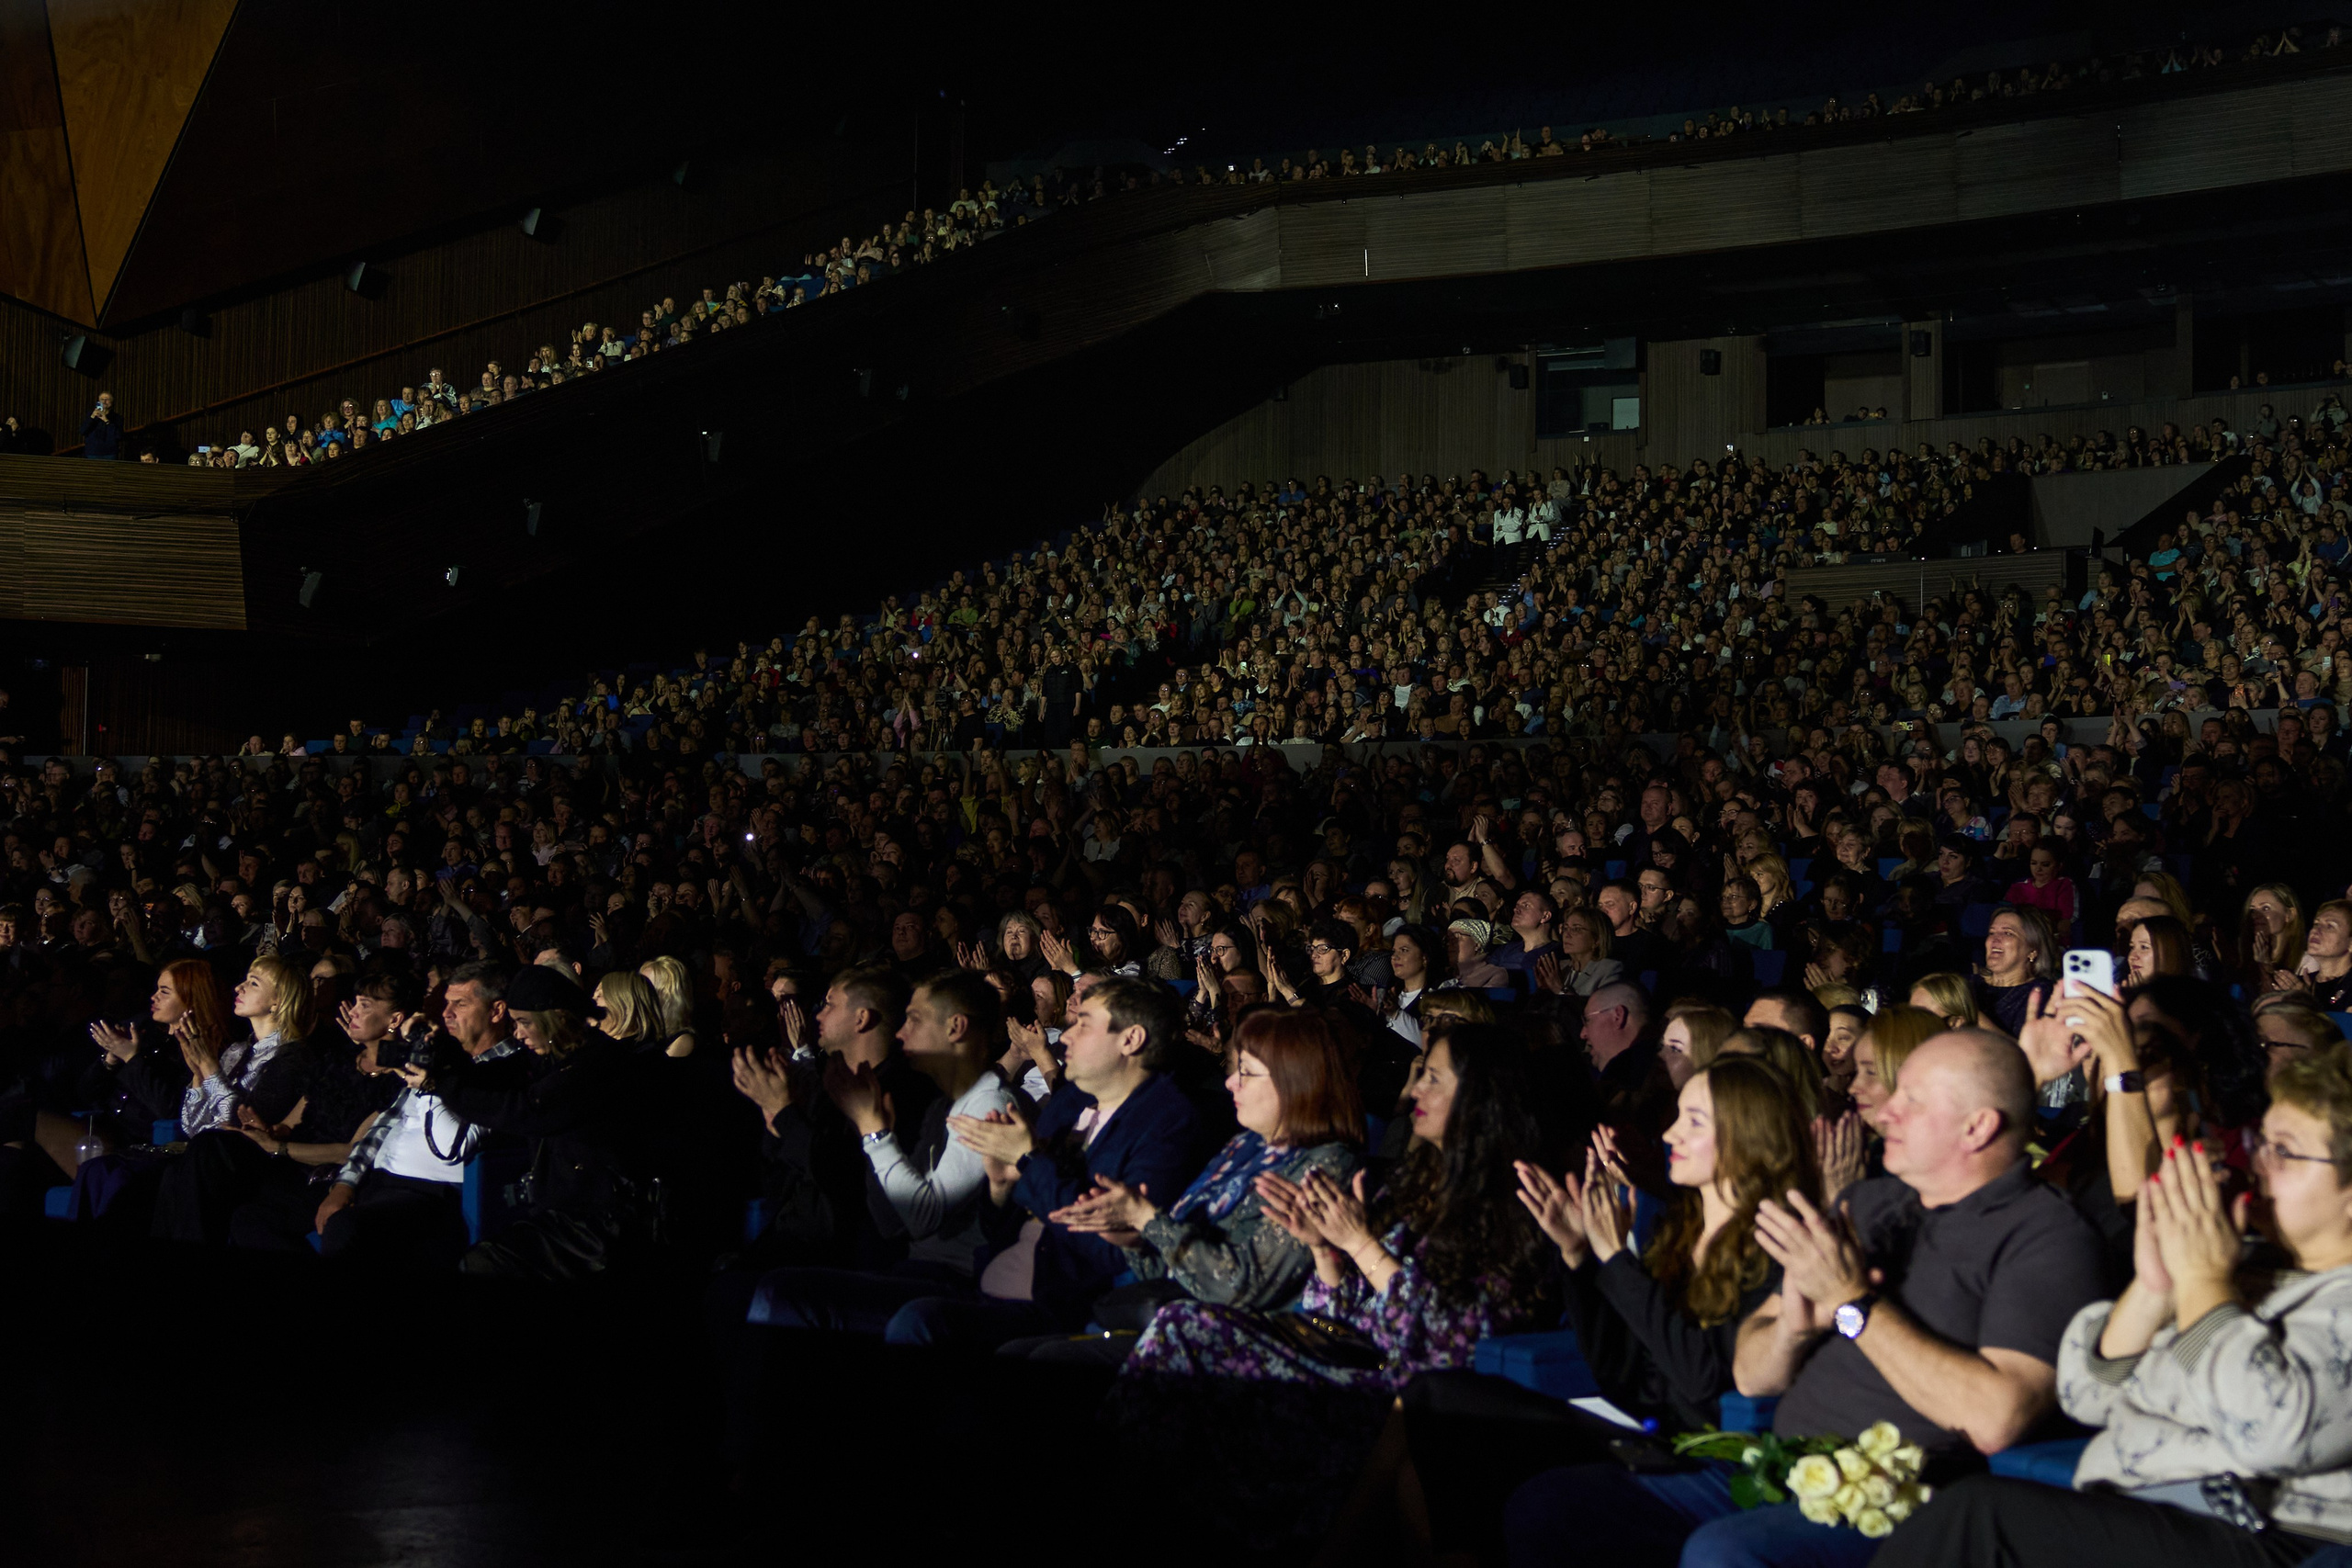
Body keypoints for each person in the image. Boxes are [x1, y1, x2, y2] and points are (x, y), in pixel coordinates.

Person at [1506, 1029, 2106, 1568]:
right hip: (1770, 1465)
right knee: (1547, 1503)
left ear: (1977, 1126)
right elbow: (1752, 1371)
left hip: (1905, 1500)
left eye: (1912, 1100)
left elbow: (1997, 1416)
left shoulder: (2042, 1233)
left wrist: (1855, 1308)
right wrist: (1796, 1321)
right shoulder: (1870, 1205)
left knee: (1723, 1552)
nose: (1885, 1109)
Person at [1877, 1045, 2352, 1568]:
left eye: (2284, 1151)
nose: (2257, 1162)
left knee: (1977, 1517)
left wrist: (2201, 1282)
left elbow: (2269, 1432)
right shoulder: (2239, 1263)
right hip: (2139, 1509)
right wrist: (2156, 1287)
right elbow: (2085, 1396)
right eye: (2260, 1142)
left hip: (2269, 1536)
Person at [1105, 1022, 1553, 1554]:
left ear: (1482, 1094)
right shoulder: (1420, 1180)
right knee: (1170, 1349)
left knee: (1185, 1329)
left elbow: (1446, 1346)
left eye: (1432, 1078)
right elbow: (1344, 1319)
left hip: (1410, 1399)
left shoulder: (1513, 1199)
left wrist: (1362, 1245)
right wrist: (1323, 1250)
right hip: (1354, 1367)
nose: (1413, 1092)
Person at [1406, 1055, 1817, 1564]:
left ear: (1747, 1136)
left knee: (1542, 1504)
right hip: (1640, 1432)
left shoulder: (1775, 1245)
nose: (1669, 1135)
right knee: (1438, 1398)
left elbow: (1701, 1379)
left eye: (1694, 1122)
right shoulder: (1677, 1228)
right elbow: (1619, 1377)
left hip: (1703, 1454)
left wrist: (1615, 1259)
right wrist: (1580, 1256)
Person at [870, 977, 1205, 1348]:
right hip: (988, 1282)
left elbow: (1111, 1251)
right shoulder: (1068, 1103)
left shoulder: (1167, 1123)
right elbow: (1001, 1229)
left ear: (1131, 1039)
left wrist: (1029, 1161)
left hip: (1060, 1307)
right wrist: (999, 1188)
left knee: (918, 1323)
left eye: (1084, 1025)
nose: (1065, 1037)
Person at [1033, 1007, 1364, 1359]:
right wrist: (1132, 1237)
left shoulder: (1326, 1163)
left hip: (1236, 1347)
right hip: (1166, 1320)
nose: (1230, 1082)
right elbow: (1176, 1267)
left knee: (1040, 1361)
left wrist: (1149, 1221)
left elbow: (1242, 1286)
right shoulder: (1243, 1146)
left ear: (1296, 1082)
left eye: (1247, 1073)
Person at [745, 970, 1018, 1330]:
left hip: (951, 1281)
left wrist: (874, 1132)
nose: (901, 1032)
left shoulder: (989, 1105)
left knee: (776, 1294)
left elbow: (919, 1216)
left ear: (955, 1028)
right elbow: (892, 1221)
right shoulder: (944, 1104)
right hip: (908, 1264)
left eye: (914, 1019)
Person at [418, 964, 653, 1280]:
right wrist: (440, 1053)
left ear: (555, 1018)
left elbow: (525, 1111)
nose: (518, 1033)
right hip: (561, 1217)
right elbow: (489, 1077)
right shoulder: (546, 1058)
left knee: (482, 1265)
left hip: (602, 1226)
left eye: (525, 1023)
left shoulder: (599, 1063)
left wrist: (444, 1084)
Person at [300, 964, 518, 1269]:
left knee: (347, 1229)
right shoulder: (441, 1055)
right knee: (257, 1213)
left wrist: (432, 1086)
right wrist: (344, 1185)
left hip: (432, 1198)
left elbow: (450, 1147)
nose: (447, 1014)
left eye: (461, 1004)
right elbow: (383, 1127)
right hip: (375, 1183)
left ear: (496, 1011)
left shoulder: (507, 1068)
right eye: (446, 1004)